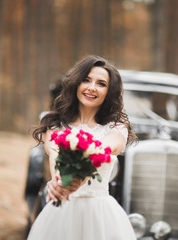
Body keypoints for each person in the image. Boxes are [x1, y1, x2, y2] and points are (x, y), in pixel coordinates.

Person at [28, 55, 137, 240]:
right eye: (86, 80)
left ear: (109, 91)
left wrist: (79, 176)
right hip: (62, 212)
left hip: (100, 216)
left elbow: (104, 150)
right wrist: (59, 181)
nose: (92, 88)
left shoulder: (117, 128)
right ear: (76, 83)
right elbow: (55, 153)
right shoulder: (54, 123)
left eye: (101, 84)